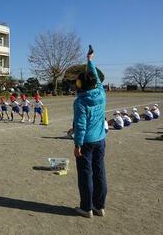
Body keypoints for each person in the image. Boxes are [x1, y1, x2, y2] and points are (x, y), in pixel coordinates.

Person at [73, 48, 107, 218]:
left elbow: (80, 125)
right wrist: (90, 61)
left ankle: (86, 208)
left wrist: (77, 144)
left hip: (86, 142)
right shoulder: (101, 93)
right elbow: (95, 78)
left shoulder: (80, 102)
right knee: (99, 172)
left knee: (86, 175)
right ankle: (99, 207)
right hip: (100, 140)